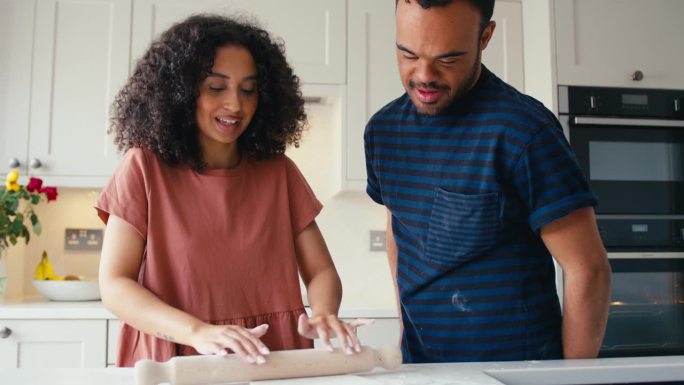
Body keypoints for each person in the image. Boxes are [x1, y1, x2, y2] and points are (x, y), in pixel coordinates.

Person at [96, 14, 364, 367]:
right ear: (180, 90)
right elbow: (114, 285)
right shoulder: (144, 168)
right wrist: (196, 331)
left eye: (248, 89)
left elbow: (321, 272)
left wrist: (325, 313)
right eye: (216, 87)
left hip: (273, 355)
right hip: (179, 355)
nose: (236, 105)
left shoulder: (278, 172)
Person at [364, 0, 612, 363]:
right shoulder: (383, 132)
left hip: (516, 372)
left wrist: (571, 378)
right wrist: (406, 328)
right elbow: (399, 229)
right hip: (422, 368)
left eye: (447, 59)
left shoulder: (523, 131)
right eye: (407, 54)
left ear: (485, 36)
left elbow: (588, 268)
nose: (424, 75)